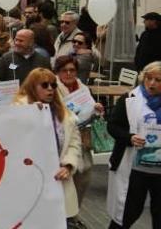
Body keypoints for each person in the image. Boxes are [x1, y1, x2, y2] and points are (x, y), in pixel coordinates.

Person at [15, 68, 82, 223]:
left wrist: (69, 166)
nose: (50, 89)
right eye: (44, 85)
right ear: (32, 87)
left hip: (58, 179)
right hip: (30, 180)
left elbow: (74, 143)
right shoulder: (18, 109)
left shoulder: (65, 114)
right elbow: (14, 139)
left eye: (53, 85)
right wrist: (30, 114)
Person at [107, 61, 161, 228]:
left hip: (159, 171)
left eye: (158, 80)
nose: (152, 83)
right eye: (148, 78)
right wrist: (129, 138)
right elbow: (113, 126)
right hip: (133, 169)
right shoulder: (130, 99)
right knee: (127, 212)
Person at [54, 55, 104, 211]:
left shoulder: (83, 88)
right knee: (65, 183)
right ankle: (63, 217)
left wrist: (96, 110)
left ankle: (76, 214)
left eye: (72, 70)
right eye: (64, 70)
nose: (69, 74)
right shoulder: (53, 88)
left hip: (84, 139)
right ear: (58, 72)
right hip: (64, 142)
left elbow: (90, 112)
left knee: (84, 178)